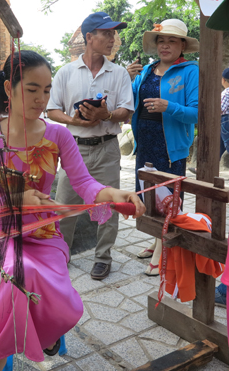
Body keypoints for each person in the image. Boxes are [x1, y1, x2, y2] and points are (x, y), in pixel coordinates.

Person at [0, 50, 145, 371]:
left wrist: (114, 193)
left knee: (39, 275)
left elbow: (85, 184)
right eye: (32, 89)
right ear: (8, 89)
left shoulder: (57, 134)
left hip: (44, 232)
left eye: (47, 91)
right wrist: (15, 201)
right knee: (22, 272)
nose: (41, 99)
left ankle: (41, 331)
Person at [47, 12, 134, 280]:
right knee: (65, 206)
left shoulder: (118, 73)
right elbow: (52, 110)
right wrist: (74, 120)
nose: (112, 38)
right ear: (89, 37)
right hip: (73, 149)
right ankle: (61, 254)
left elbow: (126, 111)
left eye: (113, 33)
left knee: (109, 206)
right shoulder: (65, 72)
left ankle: (103, 258)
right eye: (106, 33)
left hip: (108, 149)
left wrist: (104, 115)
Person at [127, 19, 199, 275]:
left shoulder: (191, 71)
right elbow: (129, 101)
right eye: (161, 40)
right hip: (145, 145)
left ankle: (162, 249)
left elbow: (196, 113)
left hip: (170, 148)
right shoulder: (147, 70)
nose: (165, 45)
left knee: (167, 198)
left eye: (172, 40)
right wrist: (126, 78)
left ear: (182, 45)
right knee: (148, 196)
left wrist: (169, 106)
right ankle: (156, 239)